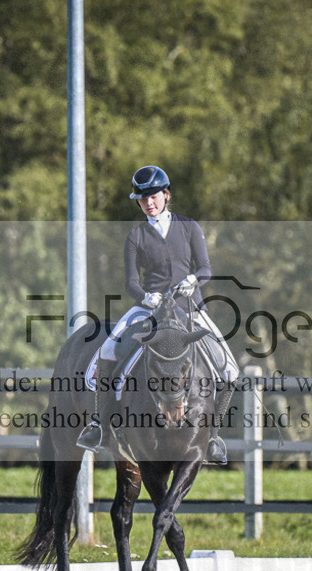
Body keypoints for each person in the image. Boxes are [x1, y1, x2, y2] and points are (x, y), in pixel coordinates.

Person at [76, 165, 239, 463]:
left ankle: (214, 437)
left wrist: (193, 281)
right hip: (149, 308)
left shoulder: (189, 227)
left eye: (153, 196)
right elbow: (131, 282)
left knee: (230, 369)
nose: (148, 203)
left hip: (188, 307)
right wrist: (145, 296)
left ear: (166, 195)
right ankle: (99, 424)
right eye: (143, 199)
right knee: (108, 351)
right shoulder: (136, 236)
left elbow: (205, 268)